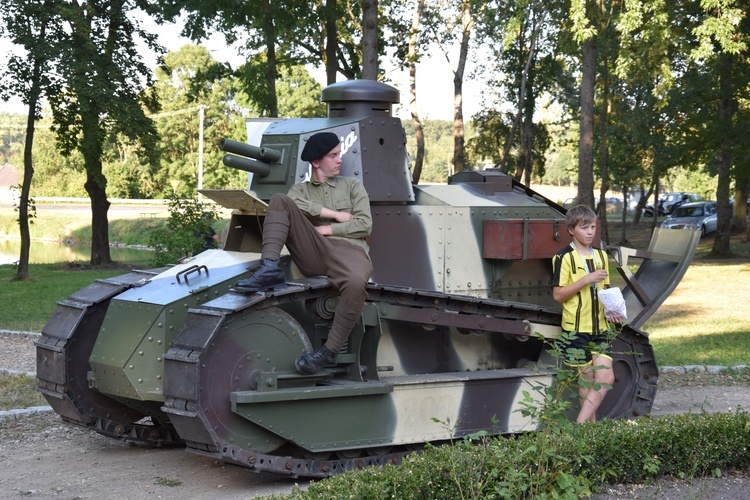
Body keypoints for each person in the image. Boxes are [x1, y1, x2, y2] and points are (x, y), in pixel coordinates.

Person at [234, 132, 373, 375]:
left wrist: (328, 228)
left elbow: (365, 224)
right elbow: (290, 203)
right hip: (314, 252)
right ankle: (269, 267)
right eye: (333, 156)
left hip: (349, 251)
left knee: (356, 282)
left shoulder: (352, 186)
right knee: (279, 200)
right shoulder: (300, 190)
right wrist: (334, 213)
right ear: (316, 162)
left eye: (339, 154)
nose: (340, 160)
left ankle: (328, 352)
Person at [551, 205, 622, 423]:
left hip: (600, 327)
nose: (590, 232)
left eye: (592, 227)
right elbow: (558, 295)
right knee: (587, 382)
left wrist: (612, 311)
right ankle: (589, 434)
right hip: (575, 330)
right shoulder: (563, 258)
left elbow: (606, 291)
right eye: (584, 228)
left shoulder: (601, 256)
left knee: (605, 377)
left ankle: (579, 426)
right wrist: (585, 280)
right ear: (571, 230)